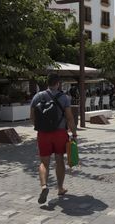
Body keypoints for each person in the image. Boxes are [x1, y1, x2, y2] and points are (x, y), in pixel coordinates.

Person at [30, 74, 78, 204]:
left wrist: (41, 127)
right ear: (58, 84)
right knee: (59, 160)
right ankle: (60, 188)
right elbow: (69, 118)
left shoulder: (37, 96)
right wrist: (74, 134)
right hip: (59, 133)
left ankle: (44, 186)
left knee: (44, 162)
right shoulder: (64, 98)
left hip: (43, 134)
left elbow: (32, 118)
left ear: (47, 83)